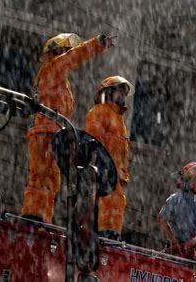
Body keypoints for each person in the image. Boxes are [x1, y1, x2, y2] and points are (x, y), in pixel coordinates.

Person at [22, 33, 115, 224]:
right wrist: (96, 44)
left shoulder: (57, 77)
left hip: (49, 131)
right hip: (45, 131)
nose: (68, 54)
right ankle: (34, 217)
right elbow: (73, 58)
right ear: (57, 52)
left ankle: (40, 219)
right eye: (66, 50)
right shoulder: (52, 69)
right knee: (42, 178)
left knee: (49, 180)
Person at [85, 75, 134, 240]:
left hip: (115, 179)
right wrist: (101, 168)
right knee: (104, 209)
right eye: (119, 90)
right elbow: (92, 143)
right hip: (103, 175)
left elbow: (122, 153)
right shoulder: (99, 112)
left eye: (124, 92)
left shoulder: (120, 120)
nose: (122, 95)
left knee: (115, 208)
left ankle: (111, 235)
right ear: (108, 91)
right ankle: (104, 235)